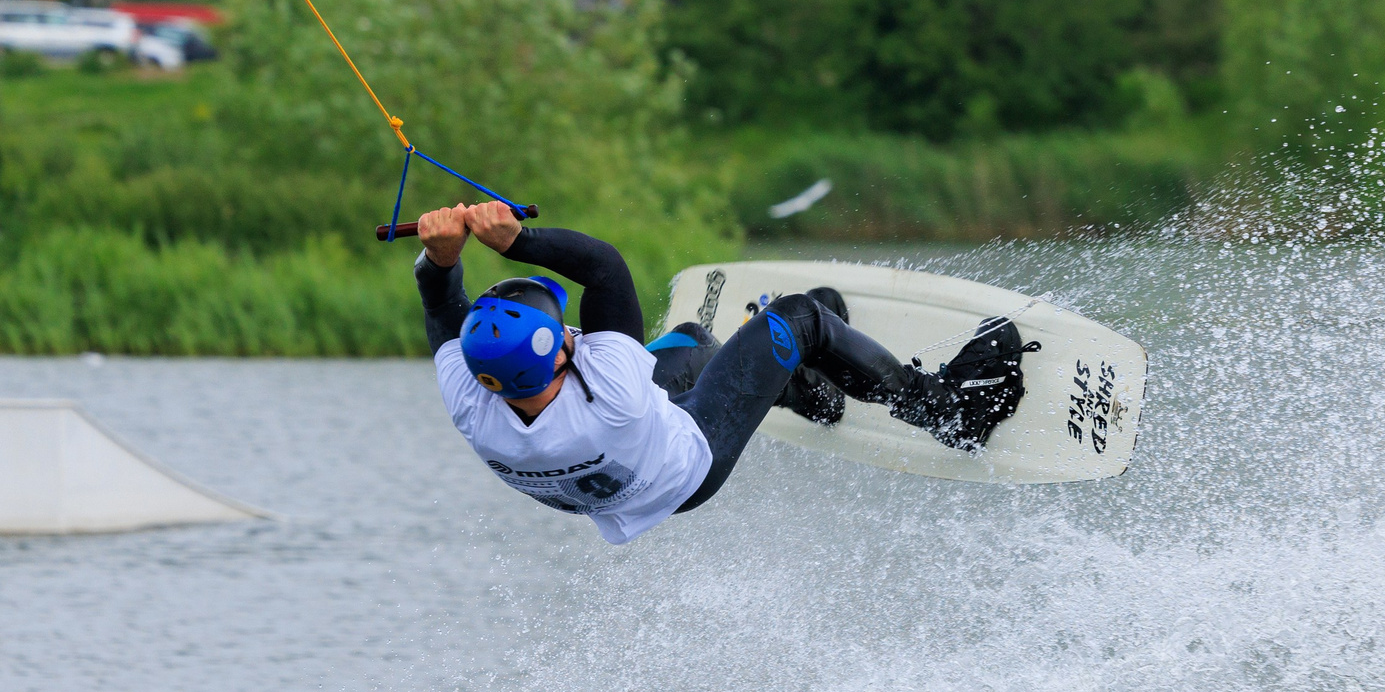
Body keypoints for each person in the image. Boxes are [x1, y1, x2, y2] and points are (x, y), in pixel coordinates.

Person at [411, 200, 1024, 544]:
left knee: (694, 342)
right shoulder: (614, 395)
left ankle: (811, 392)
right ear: (559, 355)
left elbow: (438, 299)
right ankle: (950, 412)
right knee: (800, 317)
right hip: (688, 463)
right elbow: (603, 269)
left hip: (617, 473)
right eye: (568, 334)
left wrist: (441, 258)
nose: (577, 333)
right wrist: (519, 242)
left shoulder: (473, 402)